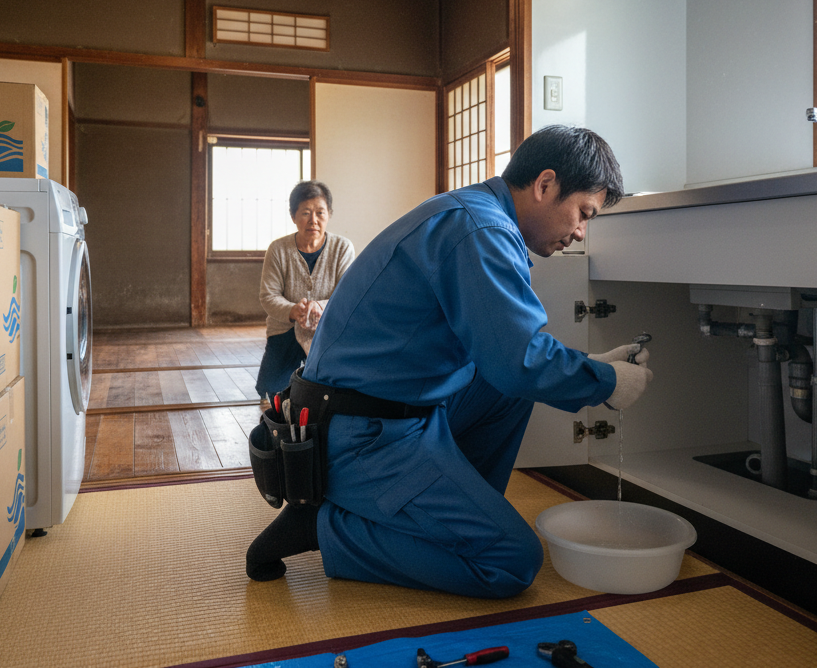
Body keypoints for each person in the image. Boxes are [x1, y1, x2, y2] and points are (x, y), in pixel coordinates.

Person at [246, 125, 653, 598]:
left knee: (503, 391)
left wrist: (592, 365)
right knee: (511, 562)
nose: (580, 231)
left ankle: (453, 516)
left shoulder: (472, 212)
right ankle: (328, 527)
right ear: (545, 185)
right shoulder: (483, 230)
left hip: (377, 410)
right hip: (362, 436)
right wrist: (606, 381)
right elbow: (518, 360)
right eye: (583, 213)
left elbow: (505, 353)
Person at [254, 180, 355, 410]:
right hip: (285, 329)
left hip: (327, 331)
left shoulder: (343, 247)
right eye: (306, 213)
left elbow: (346, 296)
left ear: (329, 214)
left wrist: (319, 307)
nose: (313, 220)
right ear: (293, 216)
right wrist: (293, 311)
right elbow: (268, 296)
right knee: (271, 394)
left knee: (334, 393)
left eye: (320, 212)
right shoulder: (278, 249)